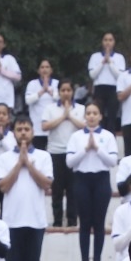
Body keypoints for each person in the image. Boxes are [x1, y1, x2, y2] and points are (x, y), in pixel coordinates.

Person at [0, 117, 53, 261]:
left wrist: (28, 164)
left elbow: (46, 184)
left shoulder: (44, 156)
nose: (23, 132)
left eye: (26, 129)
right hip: (11, 222)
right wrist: (18, 164)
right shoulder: (4, 158)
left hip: (36, 221)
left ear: (33, 132)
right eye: (19, 129)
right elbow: (3, 186)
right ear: (13, 132)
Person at [68, 102, 119, 261]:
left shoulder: (108, 136)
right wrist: (85, 149)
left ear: (100, 116)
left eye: (94, 113)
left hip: (101, 179)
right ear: (84, 116)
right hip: (81, 179)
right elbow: (70, 162)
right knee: (84, 222)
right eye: (88, 113)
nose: (91, 116)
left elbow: (112, 161)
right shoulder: (76, 136)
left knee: (98, 222)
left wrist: (96, 148)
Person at [44, 80, 84, 229]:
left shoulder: (81, 108)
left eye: (68, 90)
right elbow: (45, 126)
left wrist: (70, 116)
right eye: (63, 90)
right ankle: (57, 221)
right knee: (57, 190)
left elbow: (85, 126)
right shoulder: (50, 108)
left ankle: (72, 221)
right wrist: (63, 116)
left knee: (73, 190)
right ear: (59, 92)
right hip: (55, 152)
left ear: (72, 92)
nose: (66, 93)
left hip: (74, 154)